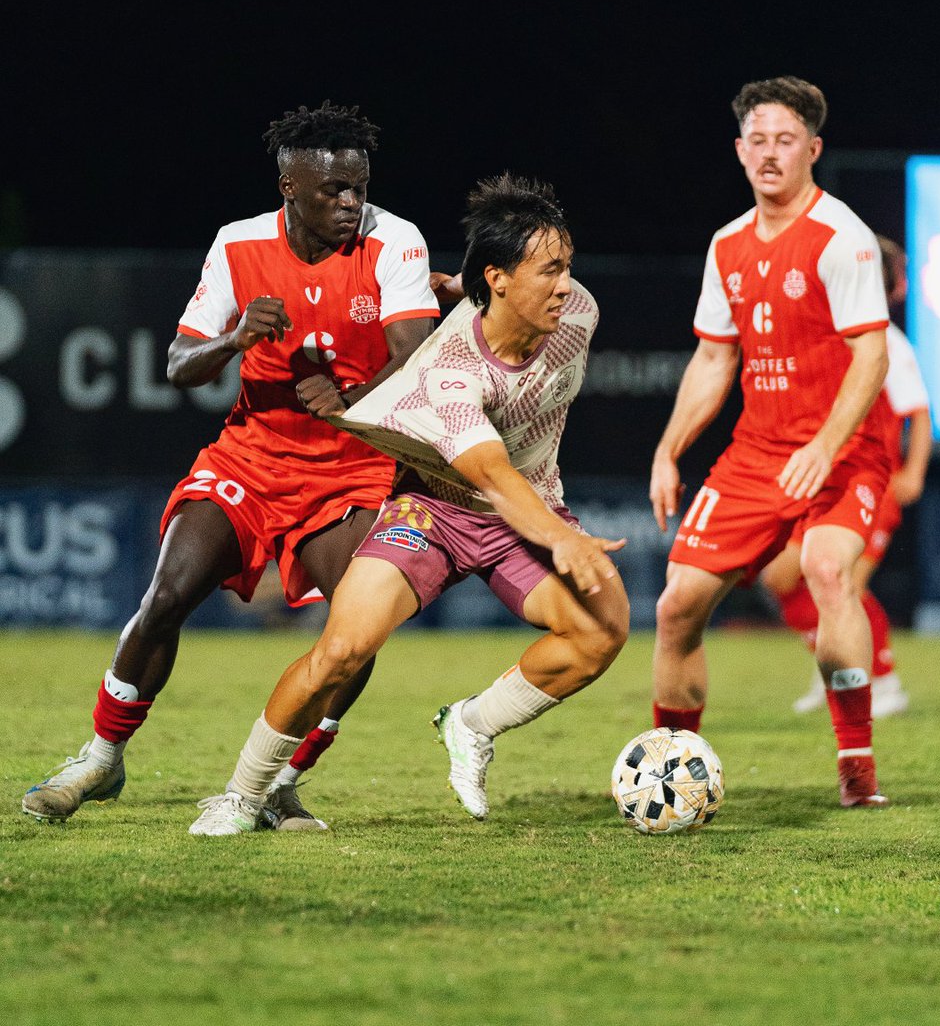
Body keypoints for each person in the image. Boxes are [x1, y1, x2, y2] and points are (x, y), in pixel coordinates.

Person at [22, 102, 439, 829]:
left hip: (354, 462)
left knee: (358, 626)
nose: (350, 204)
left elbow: (416, 358)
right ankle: (99, 758)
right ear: (288, 189)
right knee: (168, 593)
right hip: (252, 454)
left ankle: (279, 780)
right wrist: (236, 338)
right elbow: (181, 363)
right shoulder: (237, 246)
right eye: (331, 193)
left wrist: (346, 400)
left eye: (359, 188)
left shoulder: (395, 240)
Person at [187, 173, 631, 835]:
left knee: (602, 632)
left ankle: (472, 723)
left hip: (525, 511)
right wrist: (562, 539)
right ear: (500, 278)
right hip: (434, 512)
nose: (566, 284)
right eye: (549, 271)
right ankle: (243, 796)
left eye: (568, 267)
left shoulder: (579, 312)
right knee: (342, 650)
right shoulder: (450, 368)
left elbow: (472, 298)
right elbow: (487, 471)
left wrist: (457, 286)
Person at [649, 76, 893, 809]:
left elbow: (872, 356)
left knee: (824, 567)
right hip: (757, 454)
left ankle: (857, 771)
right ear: (738, 149)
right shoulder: (725, 246)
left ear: (812, 149)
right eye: (757, 139)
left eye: (785, 140)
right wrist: (669, 449)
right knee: (675, 607)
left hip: (845, 450)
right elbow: (715, 358)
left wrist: (824, 445)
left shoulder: (841, 238)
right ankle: (670, 774)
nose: (769, 153)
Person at [762, 236, 932, 716]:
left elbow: (917, 412)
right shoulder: (825, 333)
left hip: (869, 482)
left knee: (843, 583)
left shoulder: (887, 343)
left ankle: (883, 681)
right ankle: (834, 669)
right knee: (780, 576)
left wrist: (914, 471)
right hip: (822, 480)